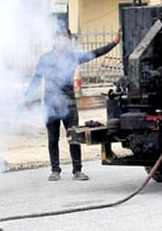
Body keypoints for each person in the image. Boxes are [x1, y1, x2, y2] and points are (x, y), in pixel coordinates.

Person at [25, 28, 120, 181]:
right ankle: (55, 170)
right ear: (54, 40)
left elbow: (95, 53)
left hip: (68, 103)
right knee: (52, 139)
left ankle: (77, 170)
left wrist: (114, 43)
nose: (62, 41)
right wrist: (27, 98)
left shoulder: (73, 57)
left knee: (74, 136)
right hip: (51, 103)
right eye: (59, 38)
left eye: (65, 38)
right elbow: (36, 79)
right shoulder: (45, 59)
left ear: (69, 41)